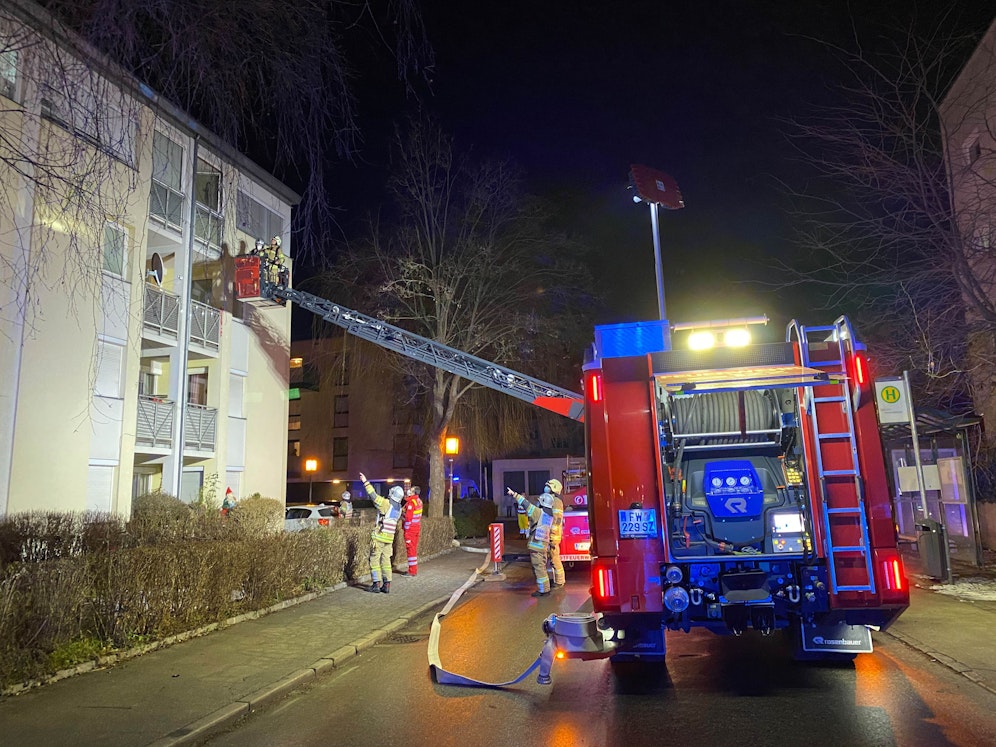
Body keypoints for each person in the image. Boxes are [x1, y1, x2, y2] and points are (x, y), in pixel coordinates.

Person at [507, 484, 556, 597]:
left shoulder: (539, 513)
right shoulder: (549, 515)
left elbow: (526, 504)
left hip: (536, 546)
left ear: (542, 502)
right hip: (543, 546)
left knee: (539, 569)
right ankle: (545, 587)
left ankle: (543, 590)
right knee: (542, 568)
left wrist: (514, 494)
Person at [359, 472, 403, 594]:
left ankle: (376, 584)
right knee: (386, 561)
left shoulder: (386, 504)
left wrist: (365, 481)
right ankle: (387, 585)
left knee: (374, 560)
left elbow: (373, 496)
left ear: (392, 494)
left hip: (379, 537)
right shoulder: (398, 508)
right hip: (389, 538)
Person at [545, 479, 566, 588]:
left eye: (548, 486)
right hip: (550, 534)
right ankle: (556, 580)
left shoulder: (556, 502)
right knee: (552, 558)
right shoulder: (552, 500)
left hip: (553, 535)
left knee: (554, 558)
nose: (546, 488)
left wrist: (552, 533)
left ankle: (559, 581)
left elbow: (557, 519)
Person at [401, 485, 424, 576]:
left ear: (414, 492)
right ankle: (413, 570)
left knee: (410, 550)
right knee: (413, 549)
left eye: (411, 490)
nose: (409, 491)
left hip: (410, 530)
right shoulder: (419, 501)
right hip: (416, 528)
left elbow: (408, 518)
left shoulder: (411, 503)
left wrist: (406, 530)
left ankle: (412, 571)